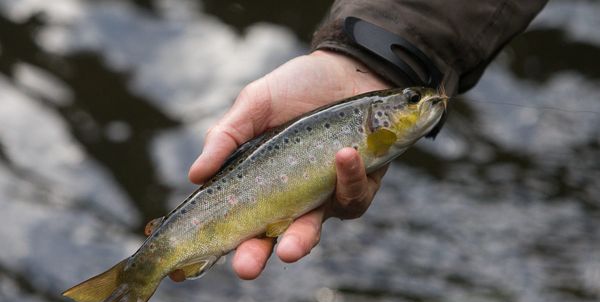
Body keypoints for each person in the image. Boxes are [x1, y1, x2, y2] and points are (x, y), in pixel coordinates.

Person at [187, 0, 548, 280]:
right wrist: (371, 56)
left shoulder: (384, 132)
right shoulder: (378, 134)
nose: (422, 102)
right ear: (379, 119)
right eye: (411, 100)